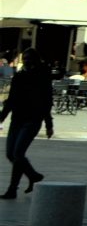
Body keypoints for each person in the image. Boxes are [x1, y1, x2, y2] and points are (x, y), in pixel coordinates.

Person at [0, 46, 54, 197]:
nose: (27, 62)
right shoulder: (19, 76)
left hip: (32, 119)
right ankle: (33, 176)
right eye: (25, 60)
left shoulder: (42, 77)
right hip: (17, 119)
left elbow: (47, 102)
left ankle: (13, 188)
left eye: (29, 59)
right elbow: (11, 99)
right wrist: (2, 116)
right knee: (11, 154)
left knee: (18, 153)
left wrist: (49, 124)